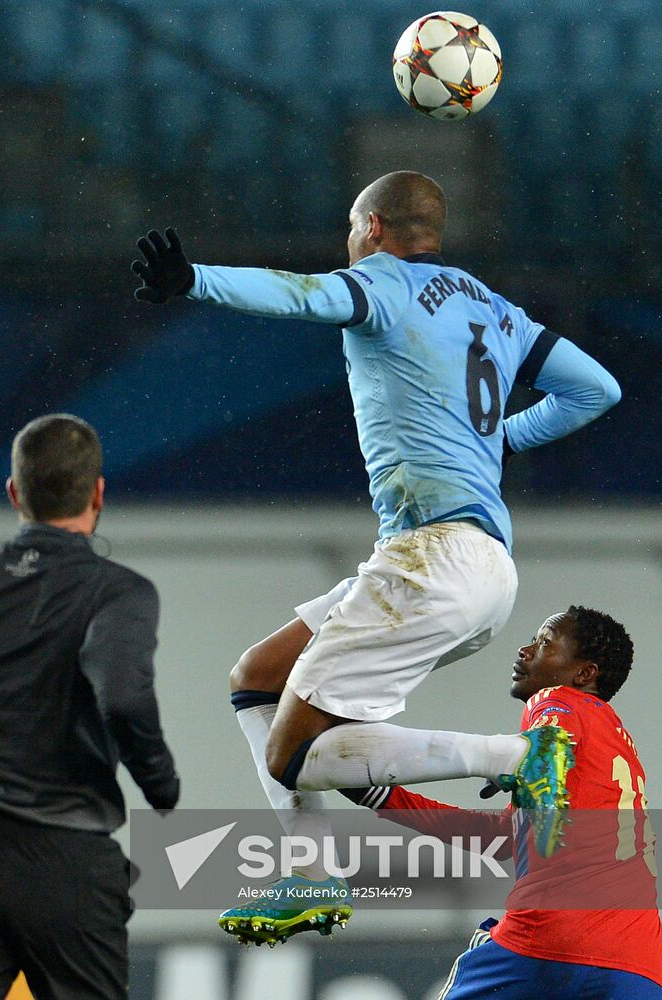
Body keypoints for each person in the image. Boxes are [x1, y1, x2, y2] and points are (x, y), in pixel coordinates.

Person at [132, 170, 620, 942]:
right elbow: (595, 389)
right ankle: (308, 871)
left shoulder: (381, 284)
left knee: (297, 755)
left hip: (433, 561)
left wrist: (194, 281)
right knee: (257, 677)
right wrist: (497, 439)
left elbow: (298, 295)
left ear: (369, 227)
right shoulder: (491, 306)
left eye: (351, 232)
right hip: (471, 563)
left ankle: (520, 754)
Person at [343, 606, 662, 1000]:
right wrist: (389, 798)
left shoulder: (558, 699)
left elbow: (551, 735)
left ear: (584, 674)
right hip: (639, 966)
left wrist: (517, 753)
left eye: (545, 643)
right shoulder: (618, 746)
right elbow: (502, 838)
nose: (525, 650)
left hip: (548, 940)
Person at [0, 415, 179, 1000]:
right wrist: (158, 782)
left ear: (15, 493)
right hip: (62, 858)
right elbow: (122, 694)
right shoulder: (117, 591)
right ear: (98, 492)